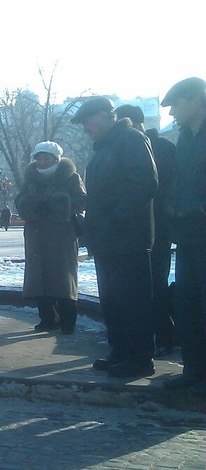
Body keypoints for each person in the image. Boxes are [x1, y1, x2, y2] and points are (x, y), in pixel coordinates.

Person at [71, 96, 158, 378]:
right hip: (107, 240)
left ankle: (140, 357)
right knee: (112, 301)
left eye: (88, 120)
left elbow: (145, 182)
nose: (85, 127)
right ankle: (120, 350)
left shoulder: (131, 140)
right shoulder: (104, 148)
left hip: (128, 239)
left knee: (133, 301)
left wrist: (115, 220)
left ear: (106, 115)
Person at [115, 104, 177, 357]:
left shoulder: (163, 148)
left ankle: (164, 336)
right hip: (133, 229)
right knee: (137, 287)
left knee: (156, 285)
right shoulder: (121, 148)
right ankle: (144, 338)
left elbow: (170, 185)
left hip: (159, 227)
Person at [160, 77, 206, 395]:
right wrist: (173, 202)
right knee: (187, 304)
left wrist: (197, 209)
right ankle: (193, 371)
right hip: (188, 237)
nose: (173, 112)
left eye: (177, 104)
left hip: (200, 229)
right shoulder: (186, 139)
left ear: (195, 101)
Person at [14, 141, 87, 334]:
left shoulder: (71, 177)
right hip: (36, 235)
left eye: (46, 158)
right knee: (39, 277)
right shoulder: (30, 179)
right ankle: (47, 318)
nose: (41, 161)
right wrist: (31, 205)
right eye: (38, 158)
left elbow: (81, 201)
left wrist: (58, 205)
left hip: (62, 235)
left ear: (56, 159)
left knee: (63, 277)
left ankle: (68, 320)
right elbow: (19, 202)